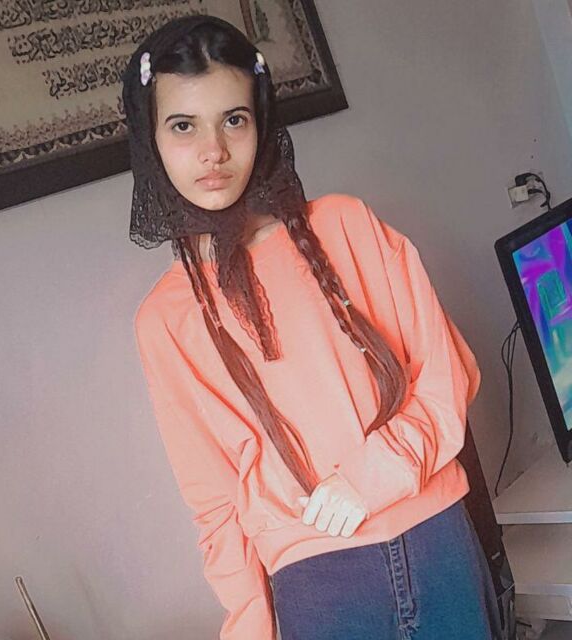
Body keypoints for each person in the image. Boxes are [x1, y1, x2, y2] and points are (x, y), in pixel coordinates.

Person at [123, 14, 502, 640]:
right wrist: (253, 628)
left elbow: (448, 375)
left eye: (234, 119)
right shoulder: (165, 320)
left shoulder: (345, 226)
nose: (213, 150)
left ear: (261, 121)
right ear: (150, 137)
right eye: (183, 125)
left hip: (437, 542)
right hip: (319, 588)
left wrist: (369, 478)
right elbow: (214, 503)